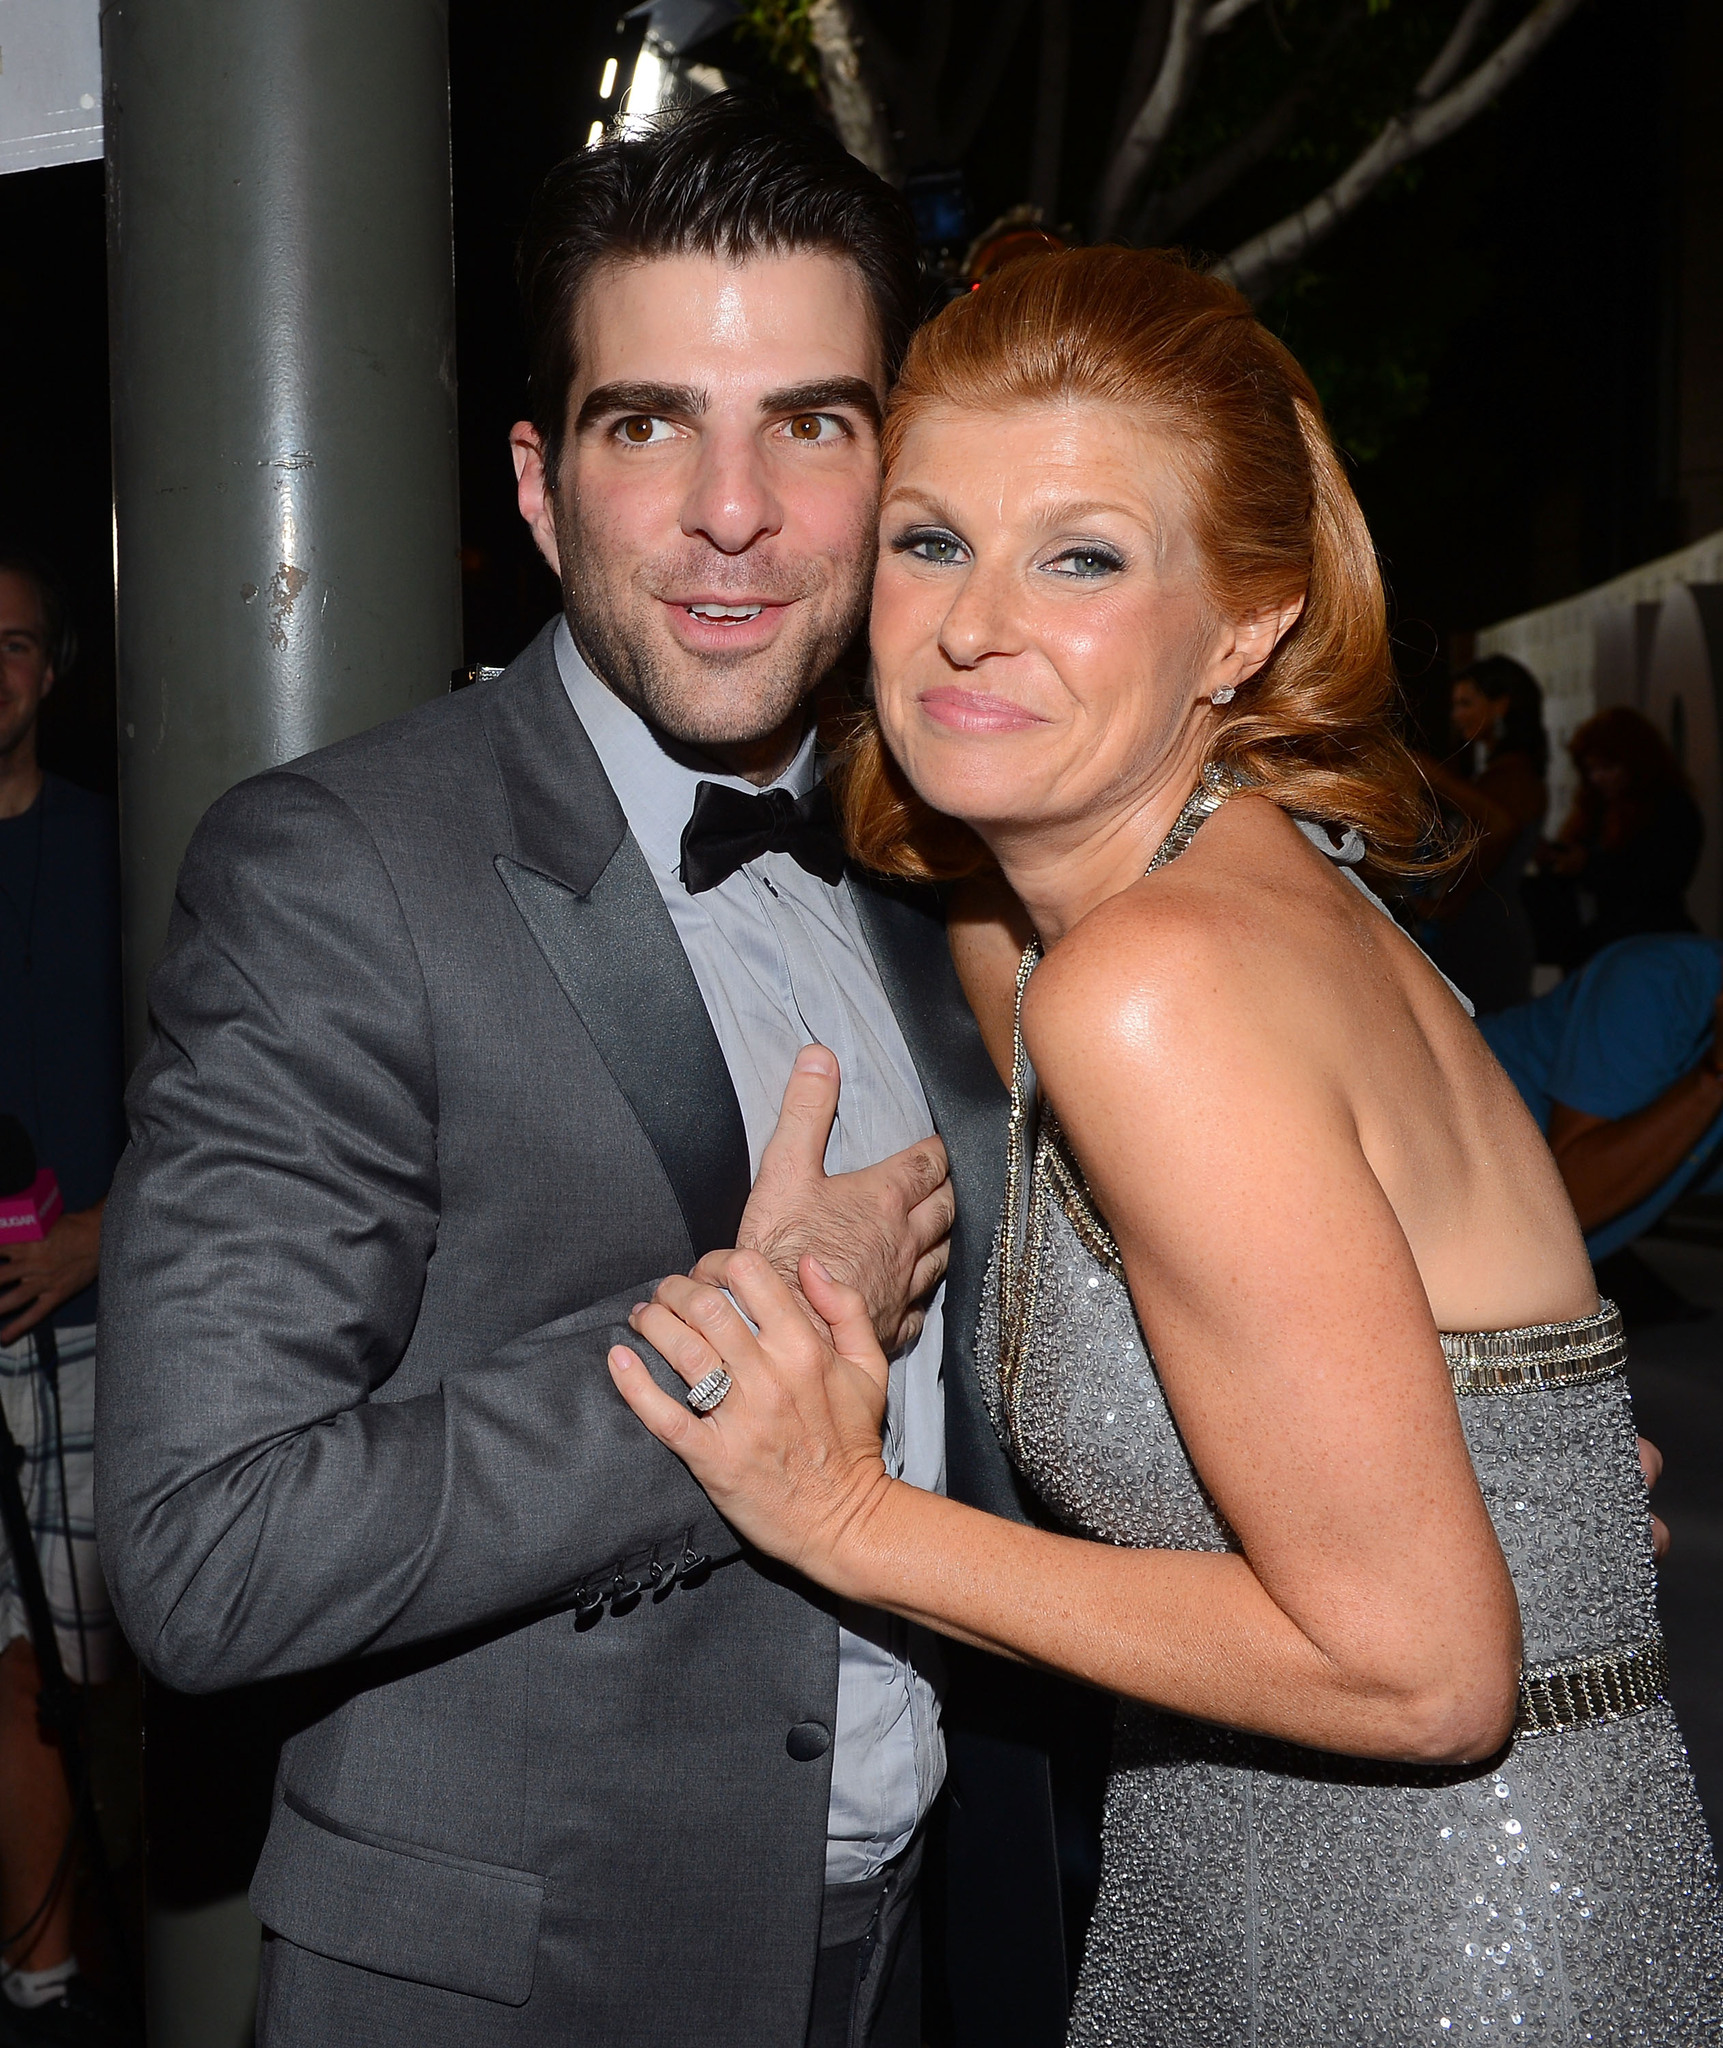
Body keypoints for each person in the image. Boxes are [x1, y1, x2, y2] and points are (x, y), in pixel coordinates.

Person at [612, 247, 1723, 2043]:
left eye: (1081, 555)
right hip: (1448, 1886)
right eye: (927, 538)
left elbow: (1421, 1670)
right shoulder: (1222, 896)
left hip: (1409, 1950)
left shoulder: (1155, 989)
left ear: (1245, 624)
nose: (973, 620)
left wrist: (841, 1512)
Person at [95, 100, 1079, 2048]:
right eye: (651, 424)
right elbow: (202, 1559)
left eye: (811, 421)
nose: (735, 510)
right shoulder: (338, 874)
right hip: (527, 1984)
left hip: (930, 1940)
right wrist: (761, 1338)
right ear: (543, 490)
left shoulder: (939, 850)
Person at [0, 554, 126, 2046]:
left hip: (95, 1333)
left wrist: (106, 1234)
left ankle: (53, 1977)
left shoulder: (121, 849)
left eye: (18, 646)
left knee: (65, 1675)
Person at [1478, 933, 1723, 1262]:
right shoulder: (1653, 981)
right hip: (1441, 1182)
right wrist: (1714, 1077)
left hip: (1518, 1260)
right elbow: (1562, 1210)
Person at [1416, 655, 1548, 1012]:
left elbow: (1499, 833)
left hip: (1488, 933)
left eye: (1466, 703)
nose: (1456, 715)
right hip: (1480, 928)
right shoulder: (1500, 774)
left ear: (1501, 704)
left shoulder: (1514, 778)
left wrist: (1443, 906)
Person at [1533, 705, 1704, 966]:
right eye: (1591, 770)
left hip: (1649, 947)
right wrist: (1558, 859)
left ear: (1635, 762)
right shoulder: (1595, 809)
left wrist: (1587, 866)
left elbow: (1658, 880)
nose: (1598, 778)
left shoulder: (1670, 808)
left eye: (1607, 767)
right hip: (1599, 951)